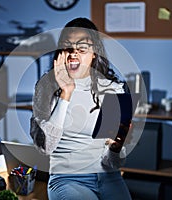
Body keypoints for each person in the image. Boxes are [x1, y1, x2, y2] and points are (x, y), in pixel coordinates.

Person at [30, 17, 132, 200]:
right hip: (67, 180)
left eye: (82, 48)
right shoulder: (45, 87)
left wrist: (116, 148)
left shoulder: (111, 88)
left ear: (94, 53)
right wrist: (66, 93)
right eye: (67, 47)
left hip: (108, 177)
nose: (73, 54)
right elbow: (45, 147)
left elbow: (113, 163)